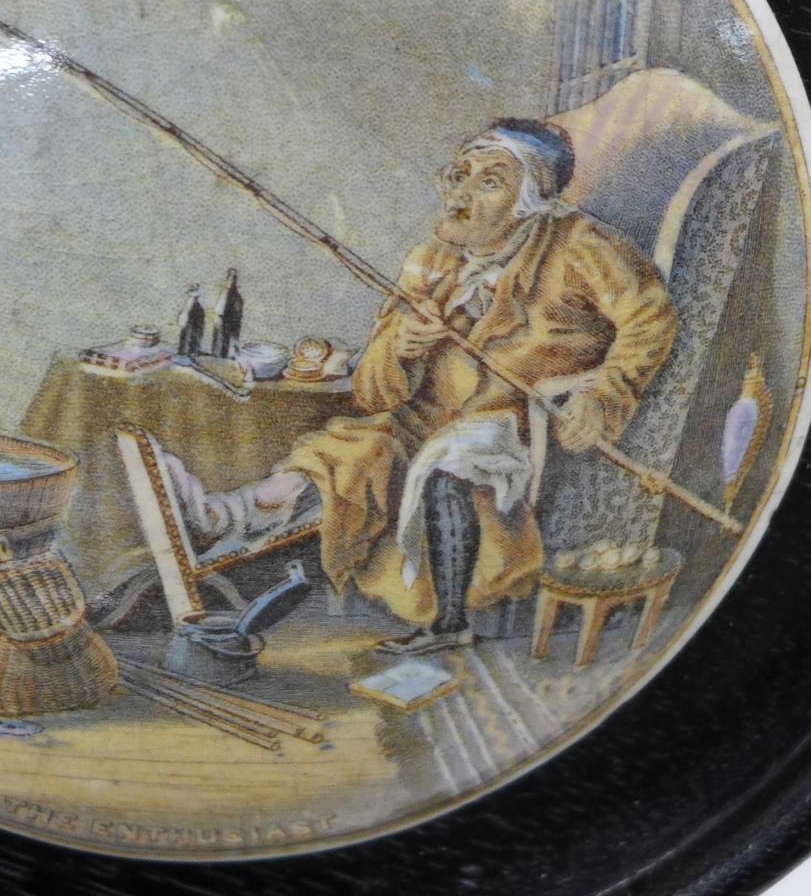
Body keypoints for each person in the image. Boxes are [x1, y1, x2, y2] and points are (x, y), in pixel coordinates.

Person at [161, 117, 677, 653]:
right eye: (460, 175)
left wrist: (605, 393)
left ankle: (448, 626)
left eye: (489, 182)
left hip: (509, 424)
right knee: (350, 451)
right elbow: (372, 393)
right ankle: (225, 518)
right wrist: (401, 347)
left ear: (531, 203)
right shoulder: (432, 259)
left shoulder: (581, 246)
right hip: (424, 420)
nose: (461, 195)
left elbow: (650, 319)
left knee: (452, 461)